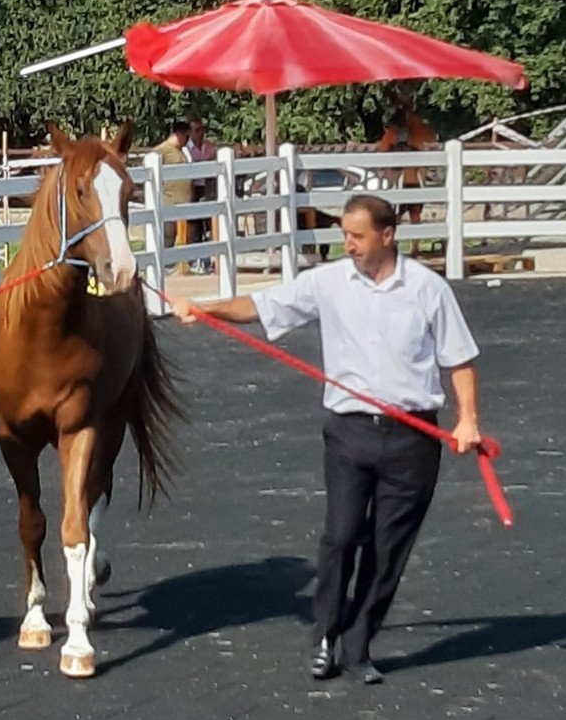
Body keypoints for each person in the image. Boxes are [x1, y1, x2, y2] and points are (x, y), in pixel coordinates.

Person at [169, 194, 483, 685]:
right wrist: (206, 310)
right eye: (345, 235)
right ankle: (324, 636)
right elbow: (264, 304)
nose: (349, 245)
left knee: (387, 550)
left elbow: (458, 359)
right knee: (340, 537)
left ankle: (359, 645)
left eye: (357, 236)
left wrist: (468, 420)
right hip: (349, 433)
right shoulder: (329, 282)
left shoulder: (427, 289)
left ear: (387, 235)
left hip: (413, 438)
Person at [153, 121, 194, 259]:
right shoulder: (162, 151)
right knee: (168, 236)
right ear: (179, 134)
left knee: (184, 237)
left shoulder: (182, 152)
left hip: (184, 202)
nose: (187, 140)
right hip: (169, 202)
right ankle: (164, 263)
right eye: (186, 137)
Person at [183, 117, 218, 273]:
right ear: (190, 132)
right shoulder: (186, 149)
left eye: (202, 129)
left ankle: (208, 258)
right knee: (194, 225)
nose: (201, 133)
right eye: (197, 130)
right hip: (194, 188)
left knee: (211, 223)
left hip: (208, 186)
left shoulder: (208, 146)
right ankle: (193, 259)